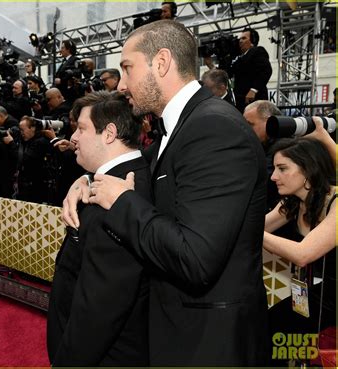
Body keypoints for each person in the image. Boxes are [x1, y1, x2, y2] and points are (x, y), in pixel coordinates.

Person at [63, 20, 269, 366]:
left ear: (161, 62)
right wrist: (87, 181)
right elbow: (133, 166)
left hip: (210, 343)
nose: (122, 84)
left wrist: (121, 201)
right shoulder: (179, 129)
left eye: (128, 69)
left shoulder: (214, 128)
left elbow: (195, 258)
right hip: (178, 330)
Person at [47, 91, 150, 366]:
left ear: (109, 133)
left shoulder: (123, 194)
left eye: (81, 129)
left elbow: (100, 307)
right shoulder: (112, 180)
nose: (74, 138)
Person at [264, 138, 336, 364]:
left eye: (282, 168)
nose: (273, 176)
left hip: (331, 301)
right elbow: (259, 226)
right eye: (274, 168)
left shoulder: (335, 201)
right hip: (314, 295)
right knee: (271, 331)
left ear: (308, 168)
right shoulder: (293, 203)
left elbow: (303, 254)